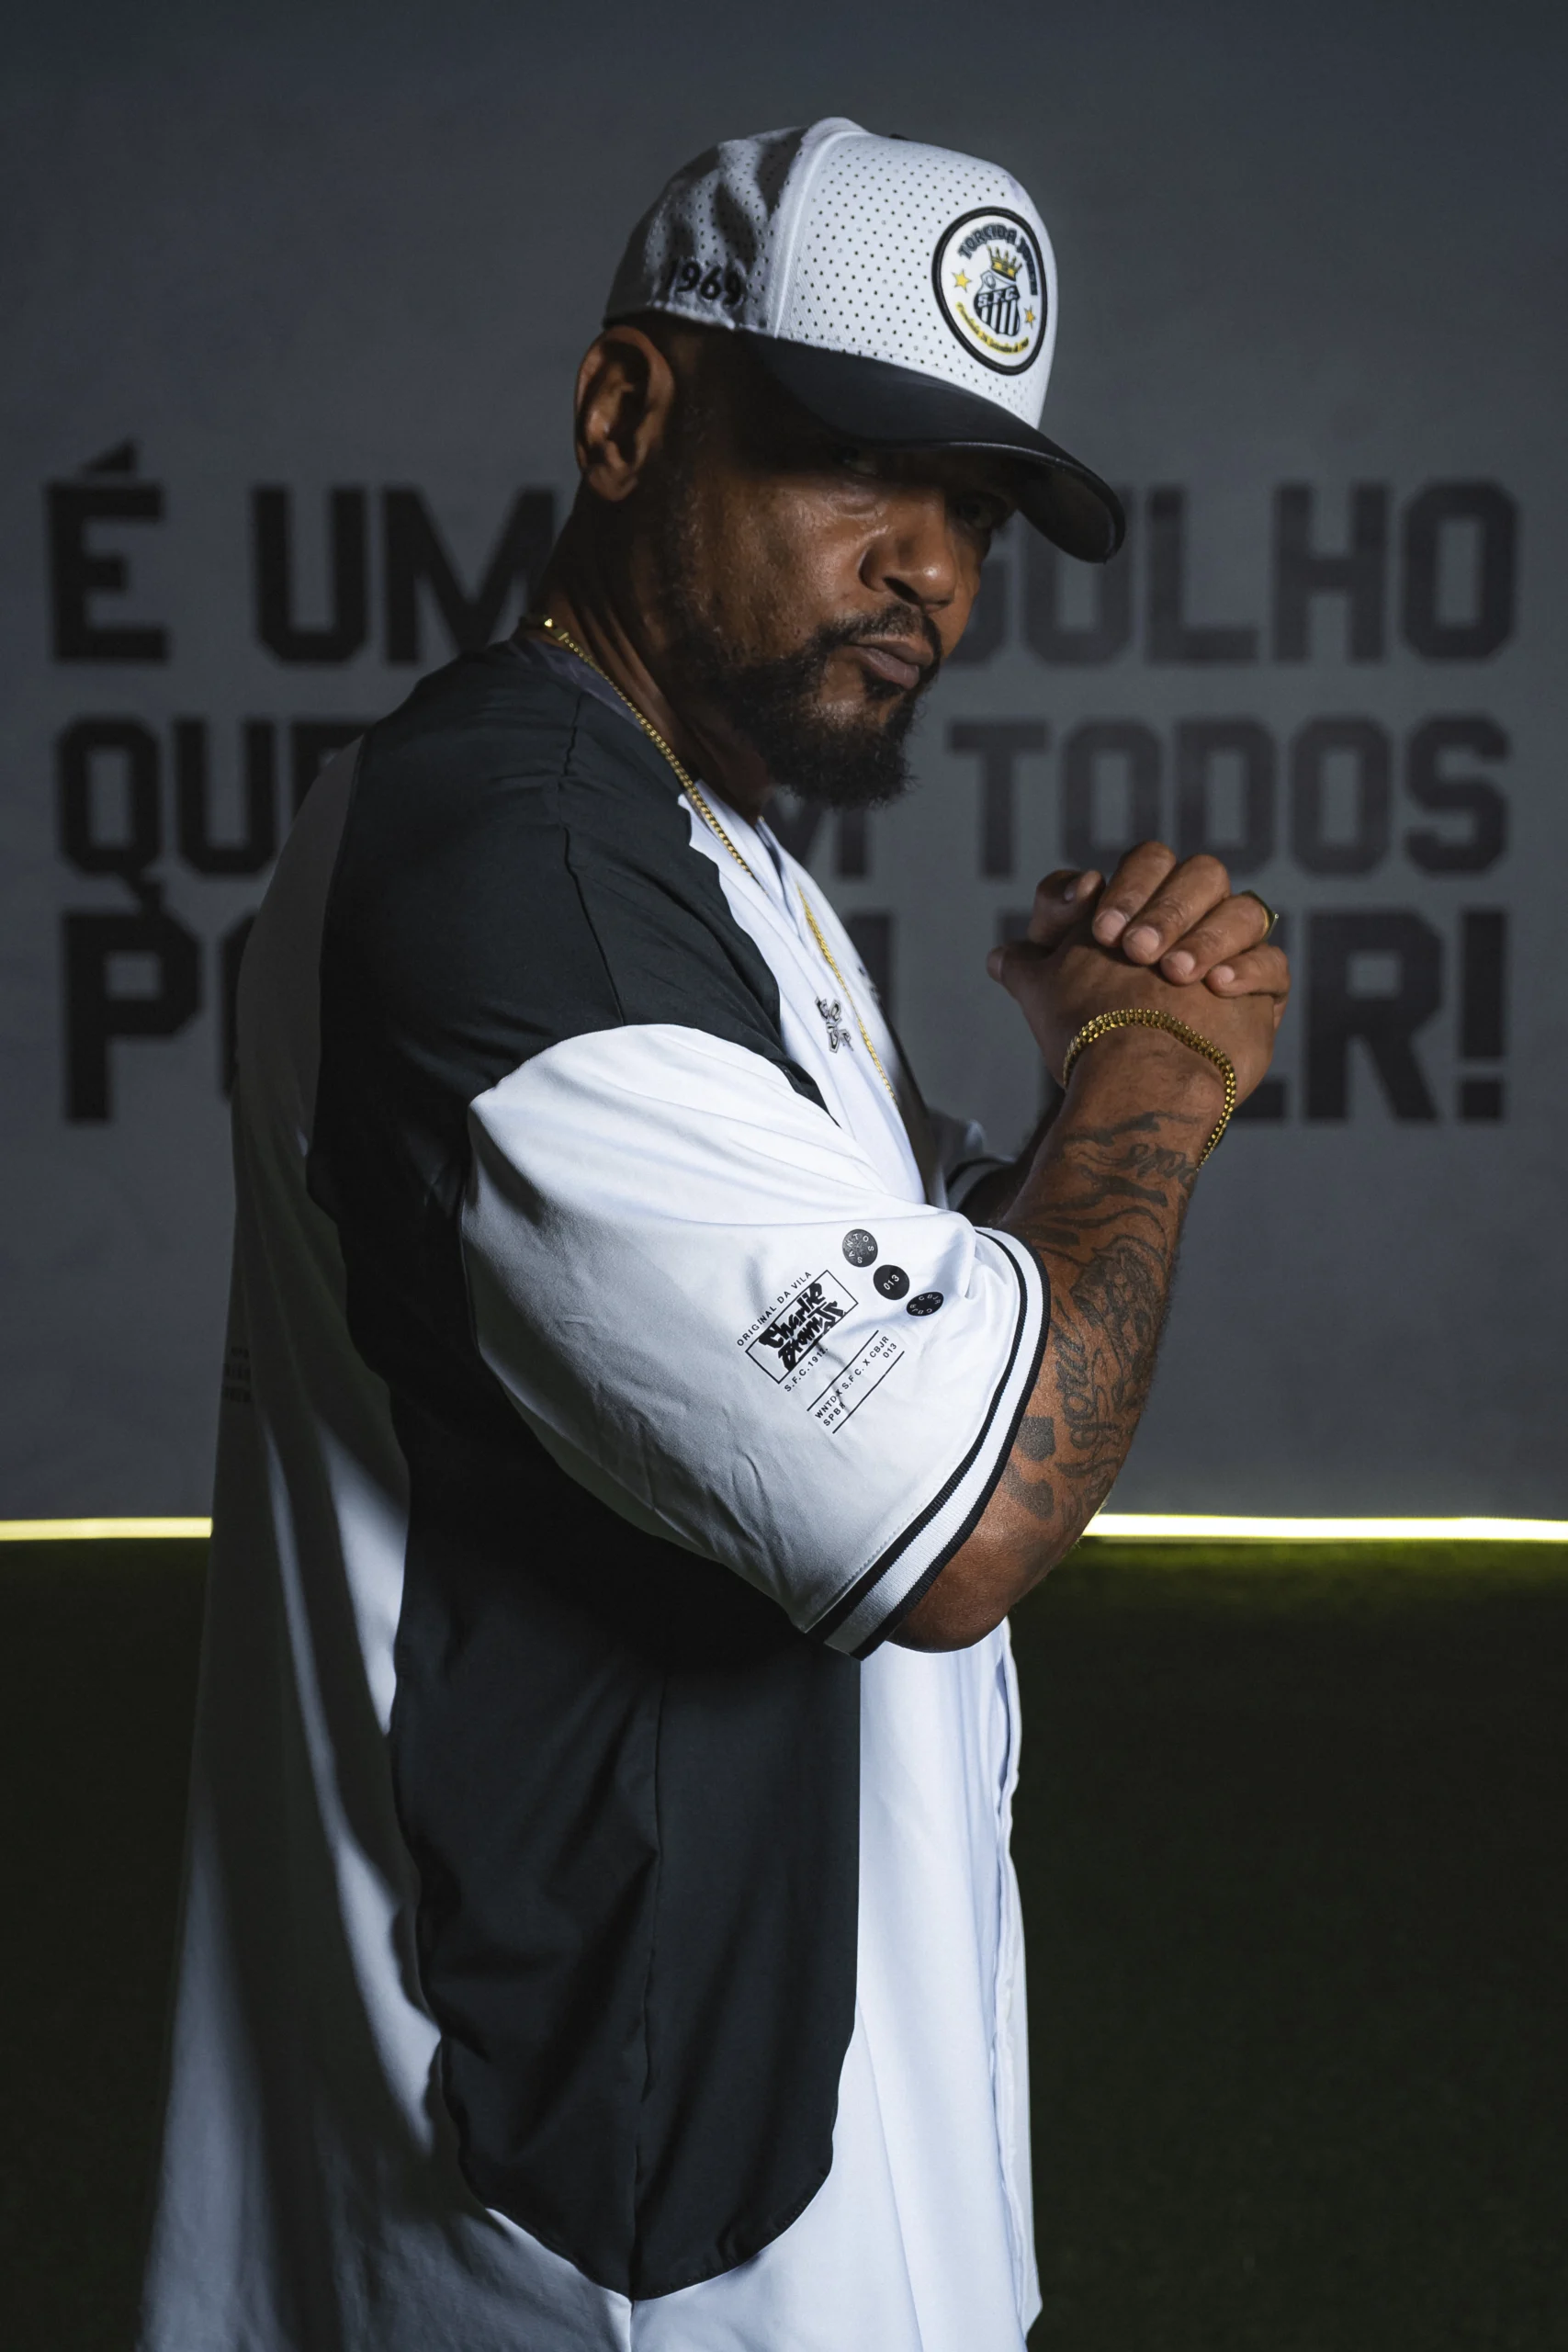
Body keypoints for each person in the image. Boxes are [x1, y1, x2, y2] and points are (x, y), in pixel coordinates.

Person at [141, 119, 1288, 2352]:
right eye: (856, 460)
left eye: (976, 507)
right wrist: (1157, 1075)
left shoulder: (690, 837)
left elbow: (886, 1323)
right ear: (623, 417)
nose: (929, 565)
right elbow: (954, 1511)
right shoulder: (526, 864)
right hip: (624, 2232)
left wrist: (1088, 1082)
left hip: (742, 2131)